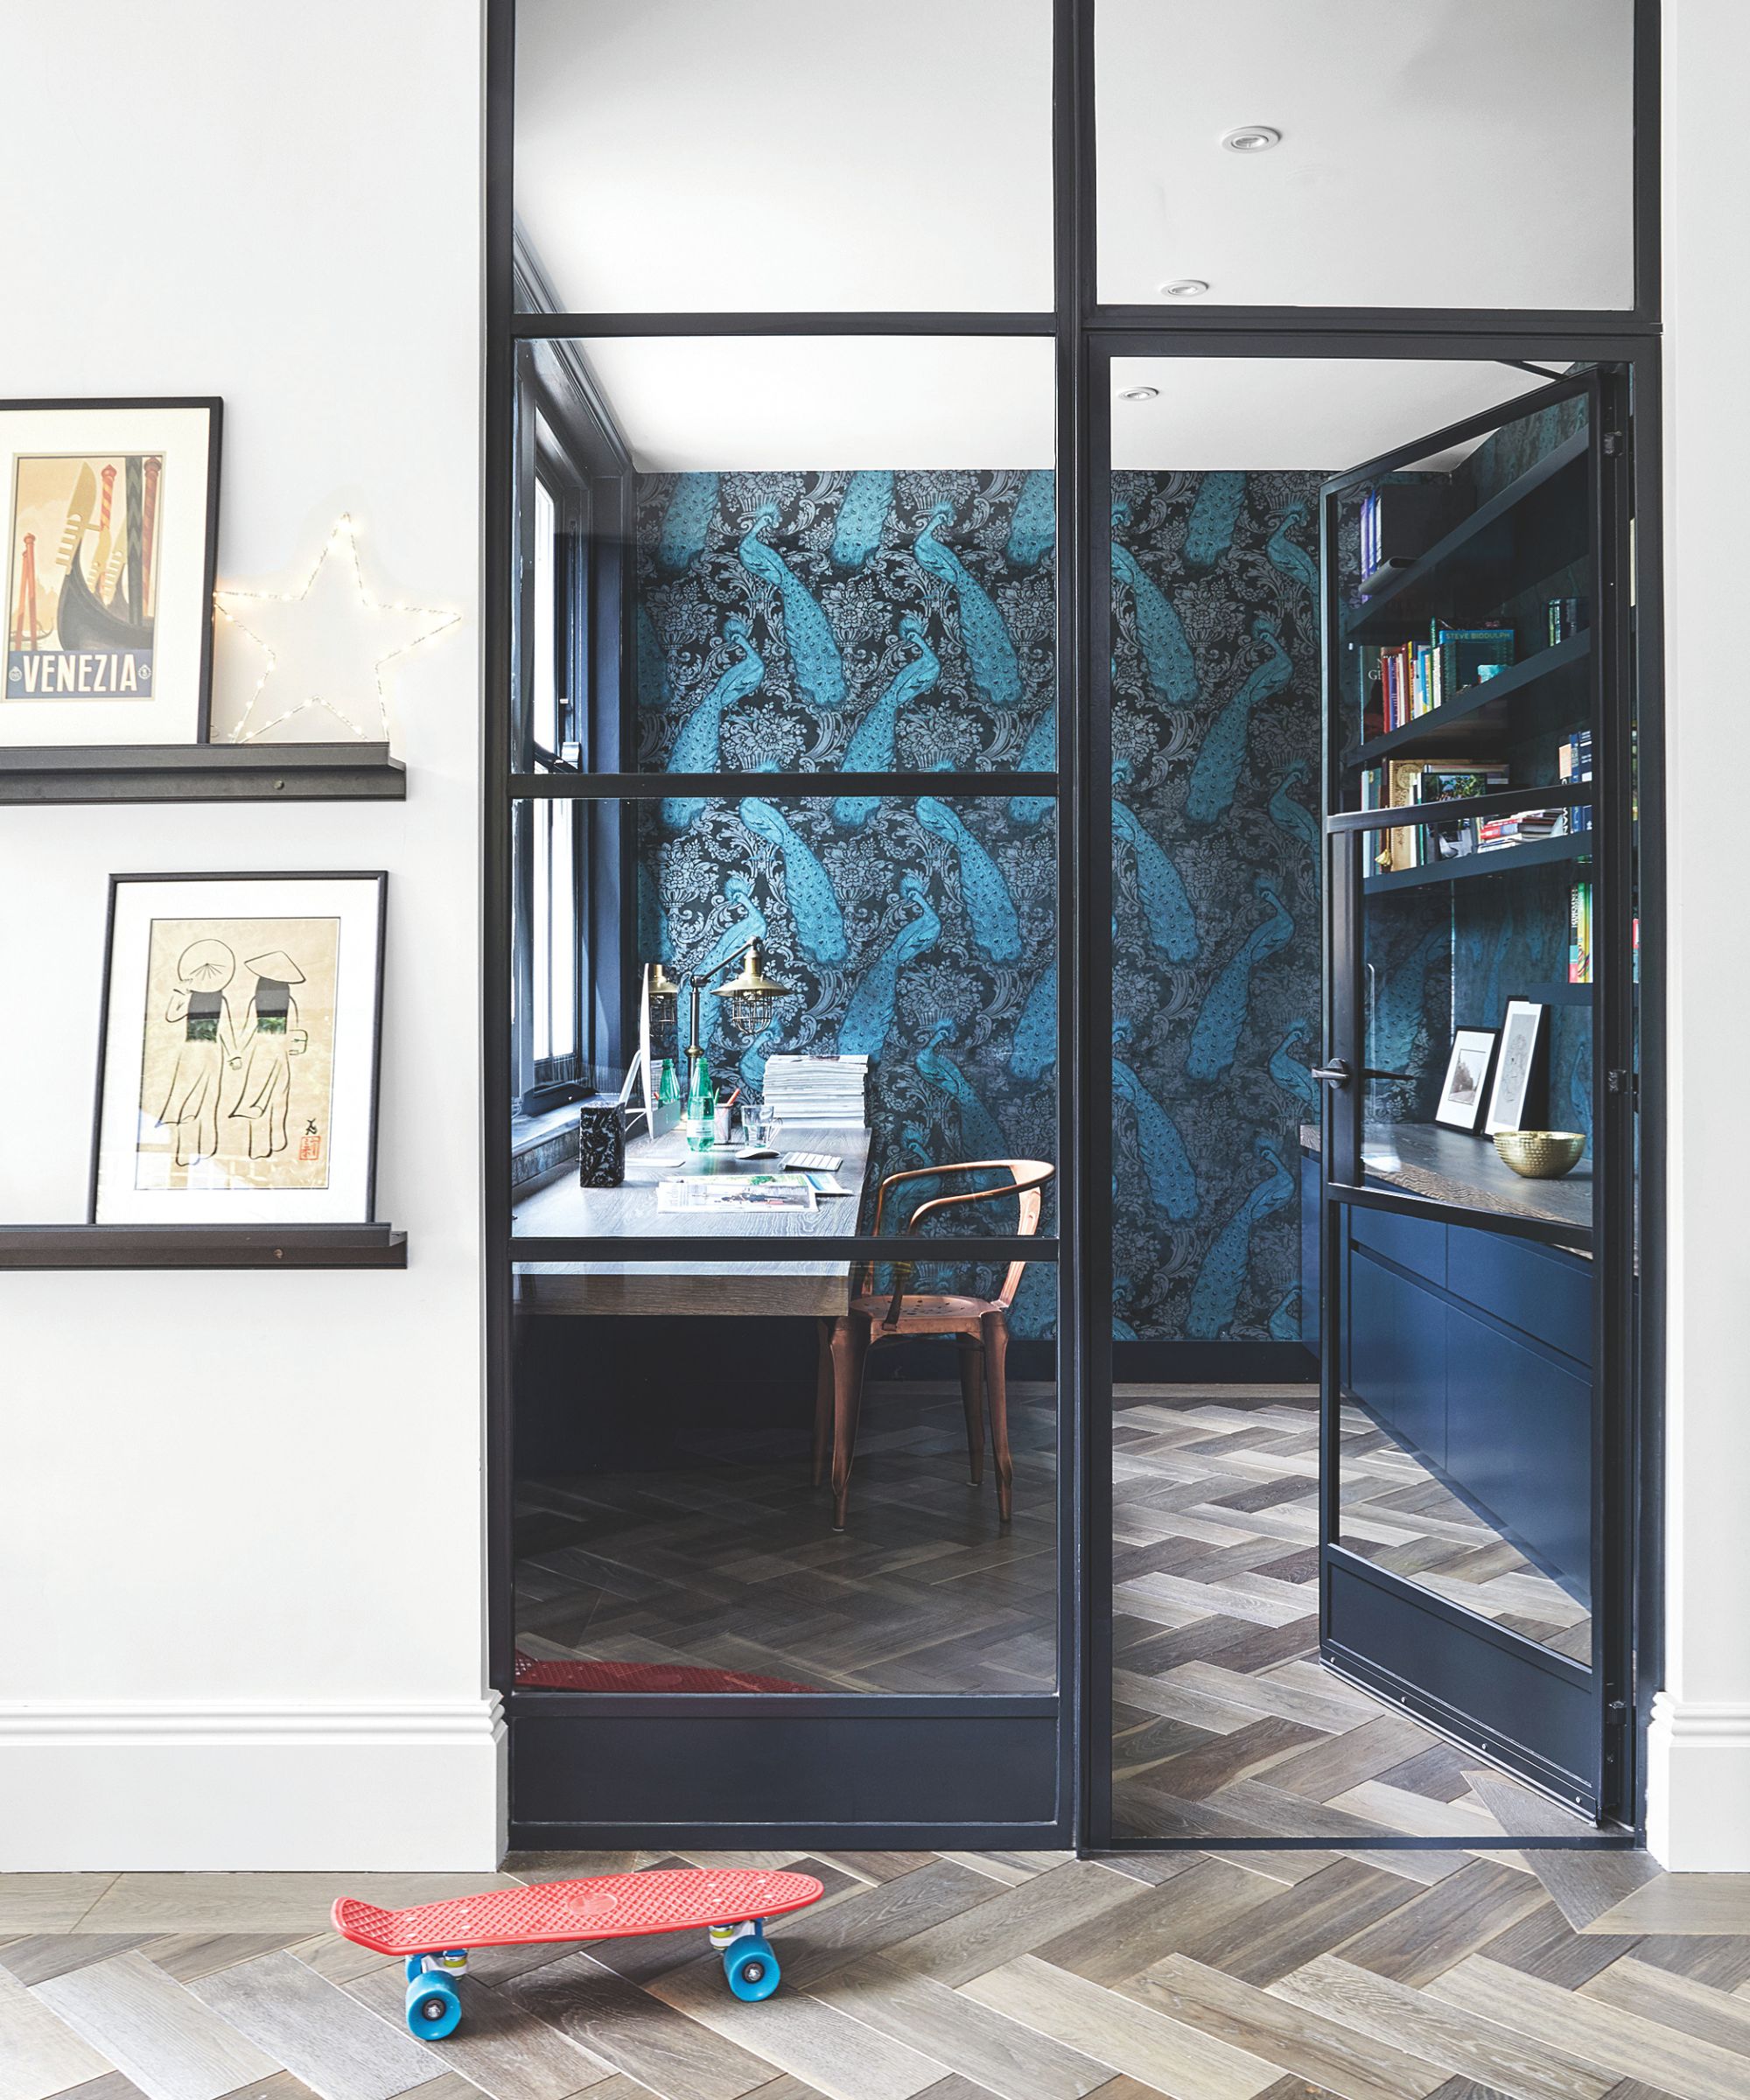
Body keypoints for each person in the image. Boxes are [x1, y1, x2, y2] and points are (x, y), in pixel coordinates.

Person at [157, 938, 240, 1167]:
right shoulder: (191, 996)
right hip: (194, 1051)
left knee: (209, 1100)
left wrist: (234, 1054)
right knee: (187, 1098)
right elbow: (172, 1015)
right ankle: (185, 1149)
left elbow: (227, 1029)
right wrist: (179, 992)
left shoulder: (220, 999)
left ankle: (206, 1149)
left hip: (208, 1052)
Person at [229, 949, 308, 1163]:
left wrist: (237, 1053)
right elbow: (295, 1030)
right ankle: (278, 1140)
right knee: (279, 1096)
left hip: (259, 1051)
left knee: (258, 1096)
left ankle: (258, 1147)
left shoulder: (256, 1001)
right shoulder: (289, 1002)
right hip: (280, 1052)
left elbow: (247, 1030)